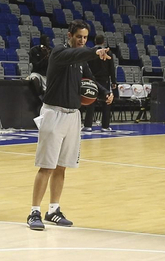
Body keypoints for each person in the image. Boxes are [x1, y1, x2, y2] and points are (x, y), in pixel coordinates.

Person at [27, 21, 112, 231]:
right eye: (79, 37)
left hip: (73, 116)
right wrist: (95, 51)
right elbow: (77, 55)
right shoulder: (59, 53)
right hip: (53, 113)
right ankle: (34, 212)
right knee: (46, 166)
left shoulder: (82, 60)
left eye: (85, 38)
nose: (82, 41)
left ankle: (53, 210)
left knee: (61, 166)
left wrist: (104, 93)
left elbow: (90, 80)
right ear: (69, 35)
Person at [83, 39, 116, 131]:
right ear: (103, 42)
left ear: (94, 41)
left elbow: (87, 66)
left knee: (90, 101)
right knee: (106, 102)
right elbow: (112, 68)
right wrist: (114, 81)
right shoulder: (107, 52)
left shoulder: (92, 53)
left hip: (93, 79)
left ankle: (88, 125)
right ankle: (105, 126)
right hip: (104, 80)